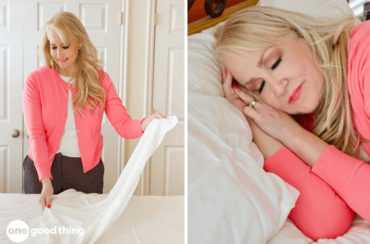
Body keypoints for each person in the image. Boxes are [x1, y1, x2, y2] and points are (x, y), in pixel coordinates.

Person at [215, 6, 370, 241]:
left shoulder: (365, 56)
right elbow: (326, 221)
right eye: (260, 88)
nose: (278, 87)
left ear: (300, 34)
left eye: (275, 62)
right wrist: (259, 124)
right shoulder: (310, 119)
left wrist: (292, 134)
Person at [23, 11, 164, 210]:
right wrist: (45, 180)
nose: (58, 54)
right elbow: (36, 134)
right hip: (42, 169)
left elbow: (123, 125)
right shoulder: (35, 80)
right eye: (53, 47)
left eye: (65, 46)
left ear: (79, 42)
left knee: (85, 229)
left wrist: (145, 124)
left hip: (86, 171)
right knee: (41, 230)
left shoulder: (99, 79)